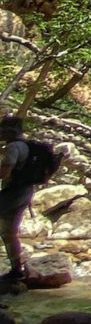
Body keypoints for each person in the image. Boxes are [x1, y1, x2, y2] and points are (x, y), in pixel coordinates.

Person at [0, 116, 36, 280]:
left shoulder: (13, 147)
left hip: (12, 193)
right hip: (26, 193)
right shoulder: (29, 146)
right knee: (10, 233)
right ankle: (16, 270)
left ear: (9, 131)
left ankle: (16, 269)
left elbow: (5, 171)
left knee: (8, 232)